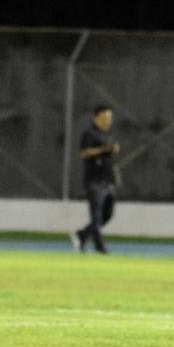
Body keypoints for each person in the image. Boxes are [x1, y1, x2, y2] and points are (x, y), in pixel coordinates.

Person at [72, 105, 119, 254]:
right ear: (96, 118)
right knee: (96, 216)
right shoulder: (90, 134)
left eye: (109, 118)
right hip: (94, 181)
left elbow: (109, 158)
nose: (107, 121)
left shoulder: (109, 135)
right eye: (104, 118)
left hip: (108, 180)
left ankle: (82, 234)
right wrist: (103, 149)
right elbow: (84, 153)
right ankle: (101, 249)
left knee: (108, 215)